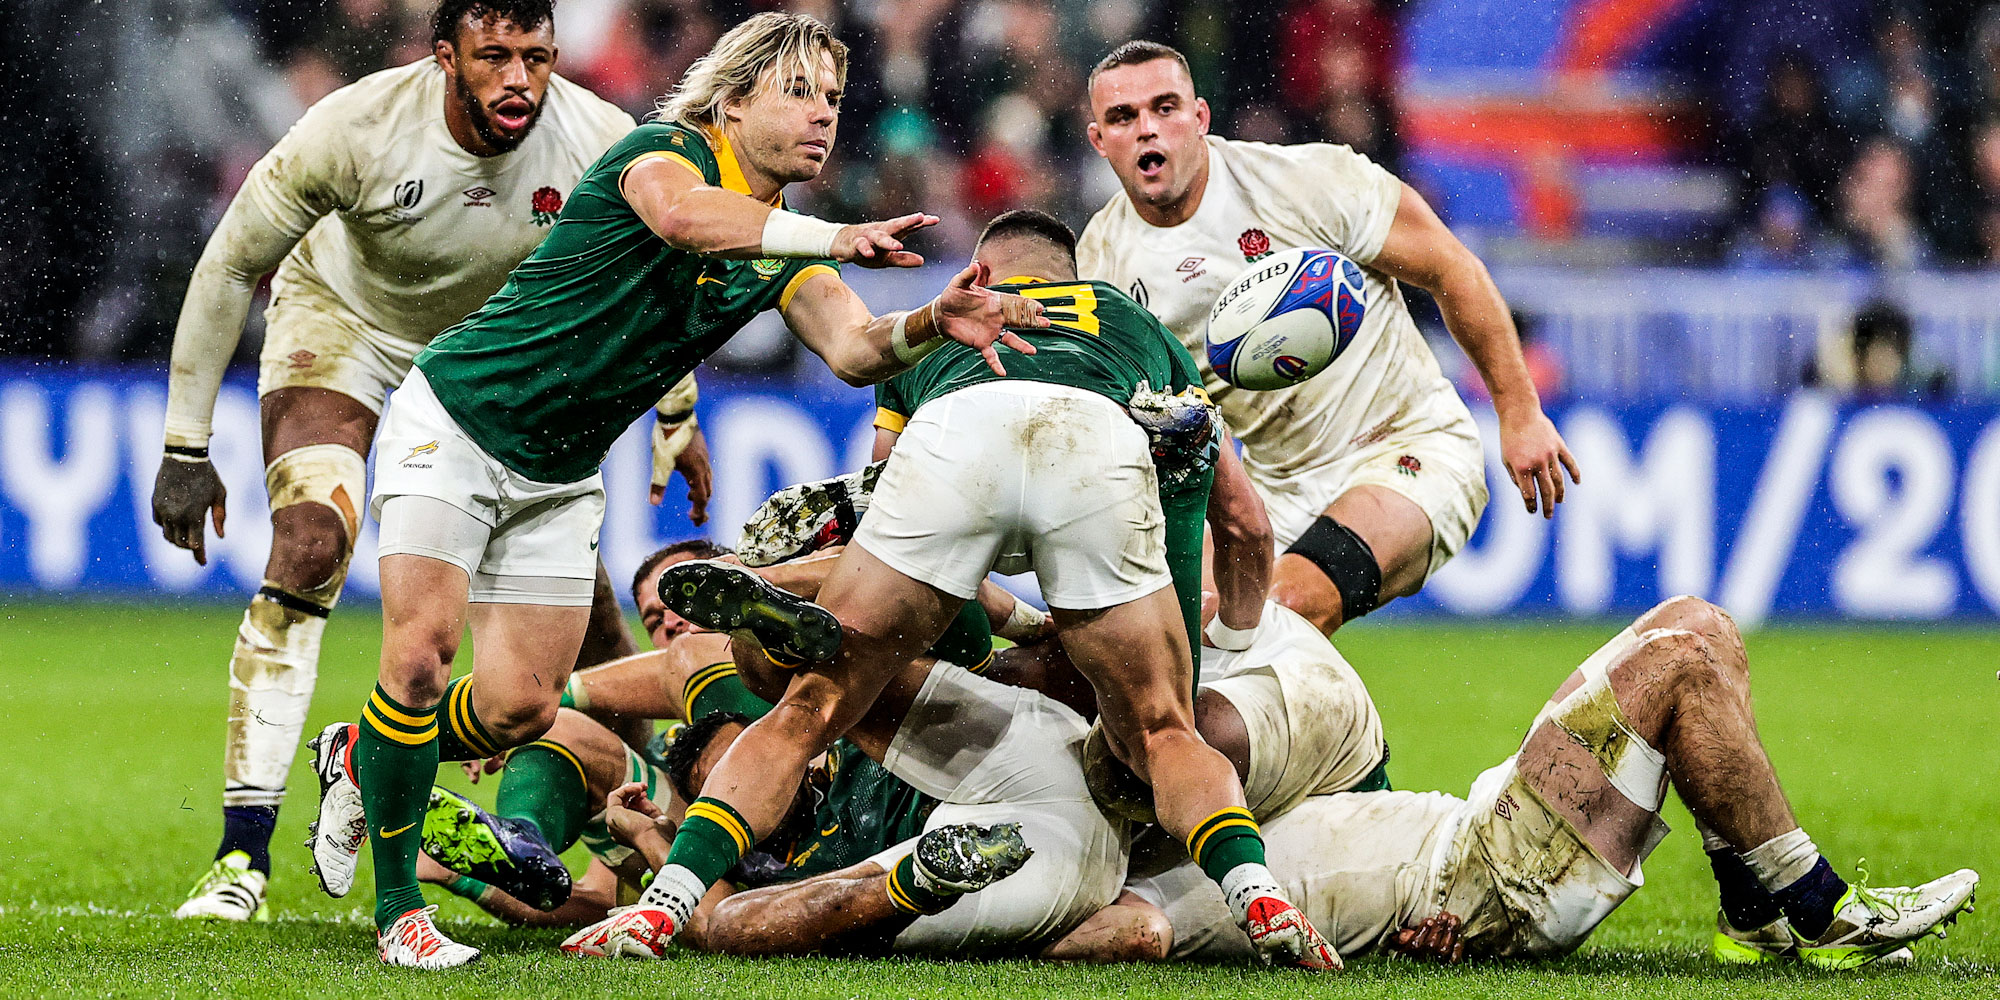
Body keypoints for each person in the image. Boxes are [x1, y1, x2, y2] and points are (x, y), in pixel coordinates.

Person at [301, 12, 1044, 969]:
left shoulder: (786, 246)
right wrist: (835, 232)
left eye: (831, 99)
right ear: (732, 100)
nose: (823, 116)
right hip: (454, 422)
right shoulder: (665, 154)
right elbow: (683, 220)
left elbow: (858, 349)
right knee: (417, 660)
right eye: (798, 92)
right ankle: (400, 912)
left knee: (520, 706)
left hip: (560, 474)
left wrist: (936, 321)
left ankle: (359, 758)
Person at [592, 209, 1341, 970]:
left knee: (809, 709)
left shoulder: (946, 318)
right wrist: (1236, 641)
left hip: (957, 431)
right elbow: (1244, 525)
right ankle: (1259, 896)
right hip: (1095, 438)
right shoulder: (1133, 323)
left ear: (980, 273)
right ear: (1073, 274)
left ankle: (662, 907)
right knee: (1161, 730)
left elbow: (888, 485)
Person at [153, 0, 702, 924]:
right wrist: (184, 445)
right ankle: (239, 856)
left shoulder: (601, 138)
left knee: (593, 623)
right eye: (494, 57)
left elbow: (666, 260)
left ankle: (627, 828)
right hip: (347, 332)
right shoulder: (356, 127)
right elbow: (229, 262)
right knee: (310, 545)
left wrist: (679, 412)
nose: (519, 79)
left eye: (536, 56)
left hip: (493, 366)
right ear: (445, 56)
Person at [1108, 597, 1980, 969]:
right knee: (1678, 667)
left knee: (1697, 622)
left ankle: (1750, 911)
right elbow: (1134, 935)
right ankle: (1818, 905)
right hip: (1492, 884)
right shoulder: (1118, 894)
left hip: (1477, 830)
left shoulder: (1179, 814)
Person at [1075, 41, 1579, 635]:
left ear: (1201, 118)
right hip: (1265, 491)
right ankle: (1345, 731)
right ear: (1098, 139)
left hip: (1404, 445)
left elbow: (1451, 268)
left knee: (1282, 613)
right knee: (1175, 644)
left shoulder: (1307, 181)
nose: (1148, 130)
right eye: (1123, 118)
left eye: (1165, 108)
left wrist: (1518, 411)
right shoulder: (1101, 267)